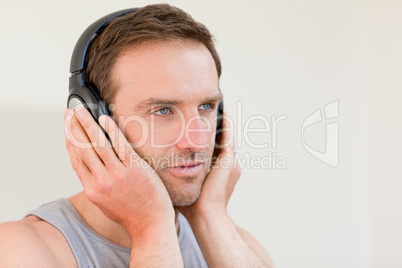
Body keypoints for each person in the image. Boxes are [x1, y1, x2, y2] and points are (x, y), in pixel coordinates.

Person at [0, 4, 274, 267]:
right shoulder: (20, 250)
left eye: (206, 106)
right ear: (92, 121)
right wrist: (150, 229)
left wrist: (210, 216)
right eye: (163, 110)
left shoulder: (239, 247)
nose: (198, 141)